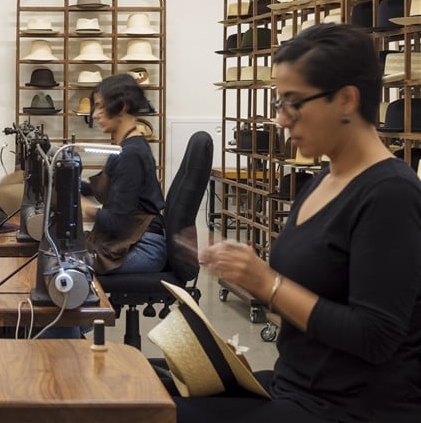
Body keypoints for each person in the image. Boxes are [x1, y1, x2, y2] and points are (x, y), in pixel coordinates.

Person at [173, 24, 421, 422]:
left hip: (350, 407)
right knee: (150, 388)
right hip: (296, 385)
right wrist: (245, 276)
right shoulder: (325, 179)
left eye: (294, 103)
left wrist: (267, 283)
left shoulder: (391, 194)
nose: (282, 120)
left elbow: (374, 336)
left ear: (347, 99)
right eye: (279, 103)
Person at [80, 73, 168, 275]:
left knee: (69, 266)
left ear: (121, 107)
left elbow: (116, 223)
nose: (94, 115)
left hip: (143, 248)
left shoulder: (131, 154)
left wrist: (85, 207)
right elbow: (109, 187)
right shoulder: (126, 148)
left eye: (100, 106)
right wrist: (68, 182)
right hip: (133, 241)